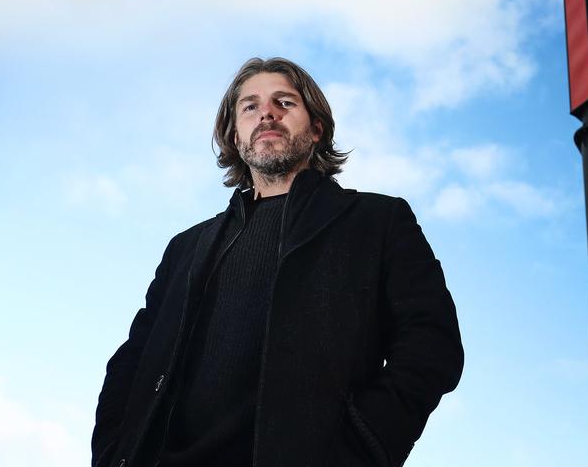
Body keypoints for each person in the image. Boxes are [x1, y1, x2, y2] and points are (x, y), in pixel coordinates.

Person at [92, 57, 463, 467]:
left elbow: (431, 345)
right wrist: (113, 454)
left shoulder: (378, 221)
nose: (266, 112)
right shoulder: (186, 247)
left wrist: (362, 447)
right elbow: (133, 359)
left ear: (316, 127)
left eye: (284, 102)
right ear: (235, 135)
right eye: (250, 106)